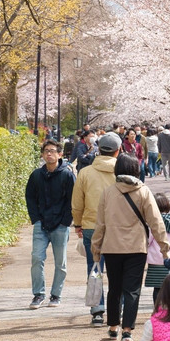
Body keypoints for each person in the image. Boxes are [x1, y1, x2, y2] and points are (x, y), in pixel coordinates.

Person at [92, 153, 169, 341]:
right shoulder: (143, 191)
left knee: (114, 288)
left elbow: (100, 224)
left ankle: (112, 327)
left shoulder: (108, 192)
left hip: (112, 247)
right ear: (136, 169)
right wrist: (164, 247)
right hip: (136, 248)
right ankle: (127, 331)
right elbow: (156, 221)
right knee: (132, 290)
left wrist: (96, 249)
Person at [72, 132, 122, 326]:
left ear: (98, 150)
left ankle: (97, 310)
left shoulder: (85, 173)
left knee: (94, 268)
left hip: (91, 226)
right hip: (118, 227)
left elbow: (77, 203)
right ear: (118, 151)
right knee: (117, 270)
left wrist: (78, 223)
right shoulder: (122, 172)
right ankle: (117, 308)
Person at [24, 139, 76, 309]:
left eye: (53, 151)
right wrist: (36, 219)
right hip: (41, 223)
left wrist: (66, 221)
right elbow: (30, 197)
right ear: (42, 154)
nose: (49, 154)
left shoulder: (67, 175)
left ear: (60, 154)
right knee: (37, 258)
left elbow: (72, 200)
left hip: (60, 225)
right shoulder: (36, 175)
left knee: (60, 262)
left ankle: (56, 294)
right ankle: (38, 294)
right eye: (46, 151)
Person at [146, 193, 170, 305]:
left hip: (155, 261)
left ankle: (158, 311)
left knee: (158, 289)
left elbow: (148, 241)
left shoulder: (153, 223)